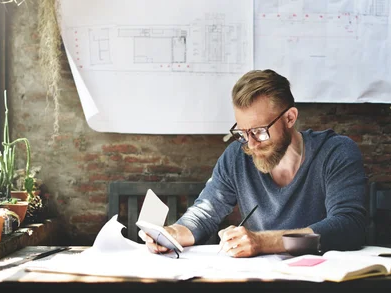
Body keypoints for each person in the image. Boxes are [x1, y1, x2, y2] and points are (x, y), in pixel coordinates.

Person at [145, 69, 367, 258]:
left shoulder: (335, 152)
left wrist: (263, 242)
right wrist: (174, 233)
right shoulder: (236, 156)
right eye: (242, 132)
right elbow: (205, 213)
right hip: (261, 283)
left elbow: (348, 226)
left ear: (290, 118)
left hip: (323, 282)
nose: (251, 144)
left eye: (260, 131)